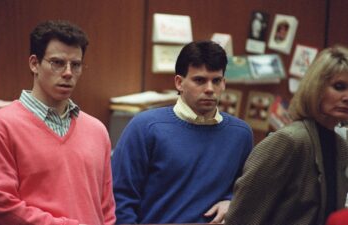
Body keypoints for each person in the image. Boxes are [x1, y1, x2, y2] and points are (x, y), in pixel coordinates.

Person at [0, 20, 116, 225]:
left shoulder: (97, 130)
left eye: (75, 65)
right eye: (57, 62)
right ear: (34, 63)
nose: (68, 73)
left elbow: (107, 209)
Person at [112, 40, 253, 224]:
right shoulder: (145, 127)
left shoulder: (241, 134)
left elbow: (250, 192)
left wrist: (232, 202)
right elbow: (120, 198)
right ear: (179, 82)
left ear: (224, 83)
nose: (210, 89)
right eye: (199, 80)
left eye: (216, 80)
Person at [224, 45, 348, 225]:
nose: (347, 96)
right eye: (339, 87)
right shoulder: (288, 141)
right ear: (317, 88)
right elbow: (242, 218)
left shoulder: (340, 145)